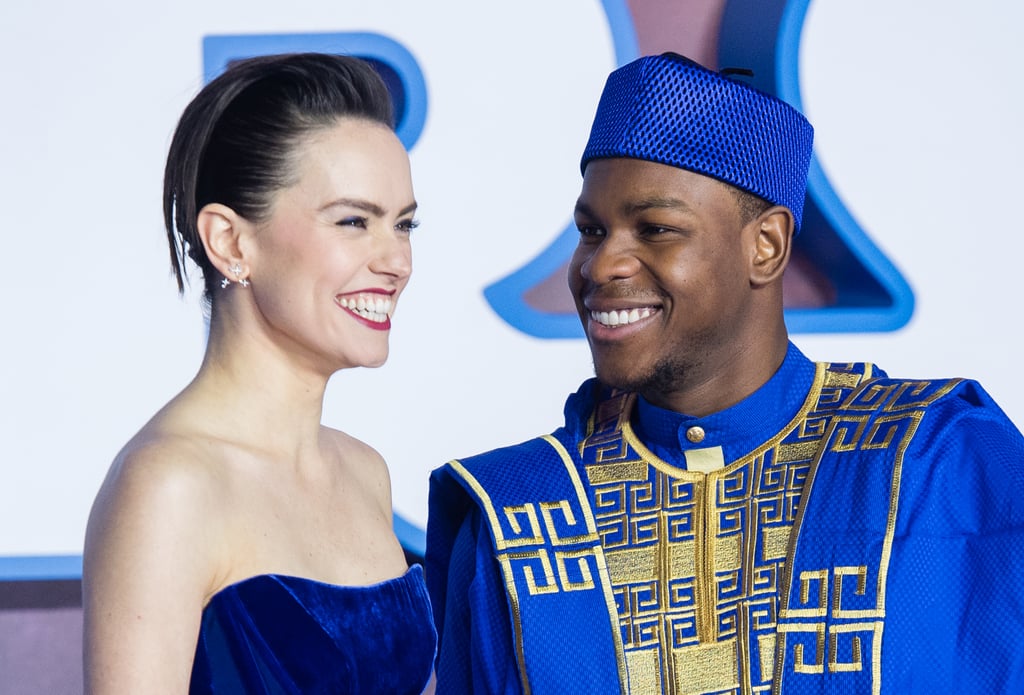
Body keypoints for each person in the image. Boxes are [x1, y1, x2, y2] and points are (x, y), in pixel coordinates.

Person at [425, 52, 1024, 694]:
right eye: (591, 231)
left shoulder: (936, 460)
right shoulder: (518, 510)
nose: (600, 267)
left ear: (765, 245)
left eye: (655, 229)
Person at [82, 53, 436, 694]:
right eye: (353, 221)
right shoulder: (167, 487)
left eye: (404, 224)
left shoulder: (365, 473)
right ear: (230, 242)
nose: (396, 260)